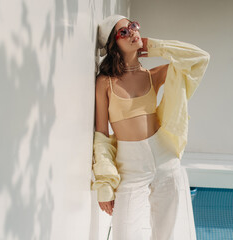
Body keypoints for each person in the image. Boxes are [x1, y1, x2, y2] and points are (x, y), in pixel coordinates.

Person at [92, 14, 210, 240]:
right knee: (124, 234)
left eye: (133, 26)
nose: (132, 32)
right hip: (131, 167)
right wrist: (104, 183)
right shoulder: (104, 82)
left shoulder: (152, 75)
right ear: (113, 44)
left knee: (164, 234)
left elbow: (200, 58)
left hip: (165, 158)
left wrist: (156, 46)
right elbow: (102, 135)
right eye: (123, 32)